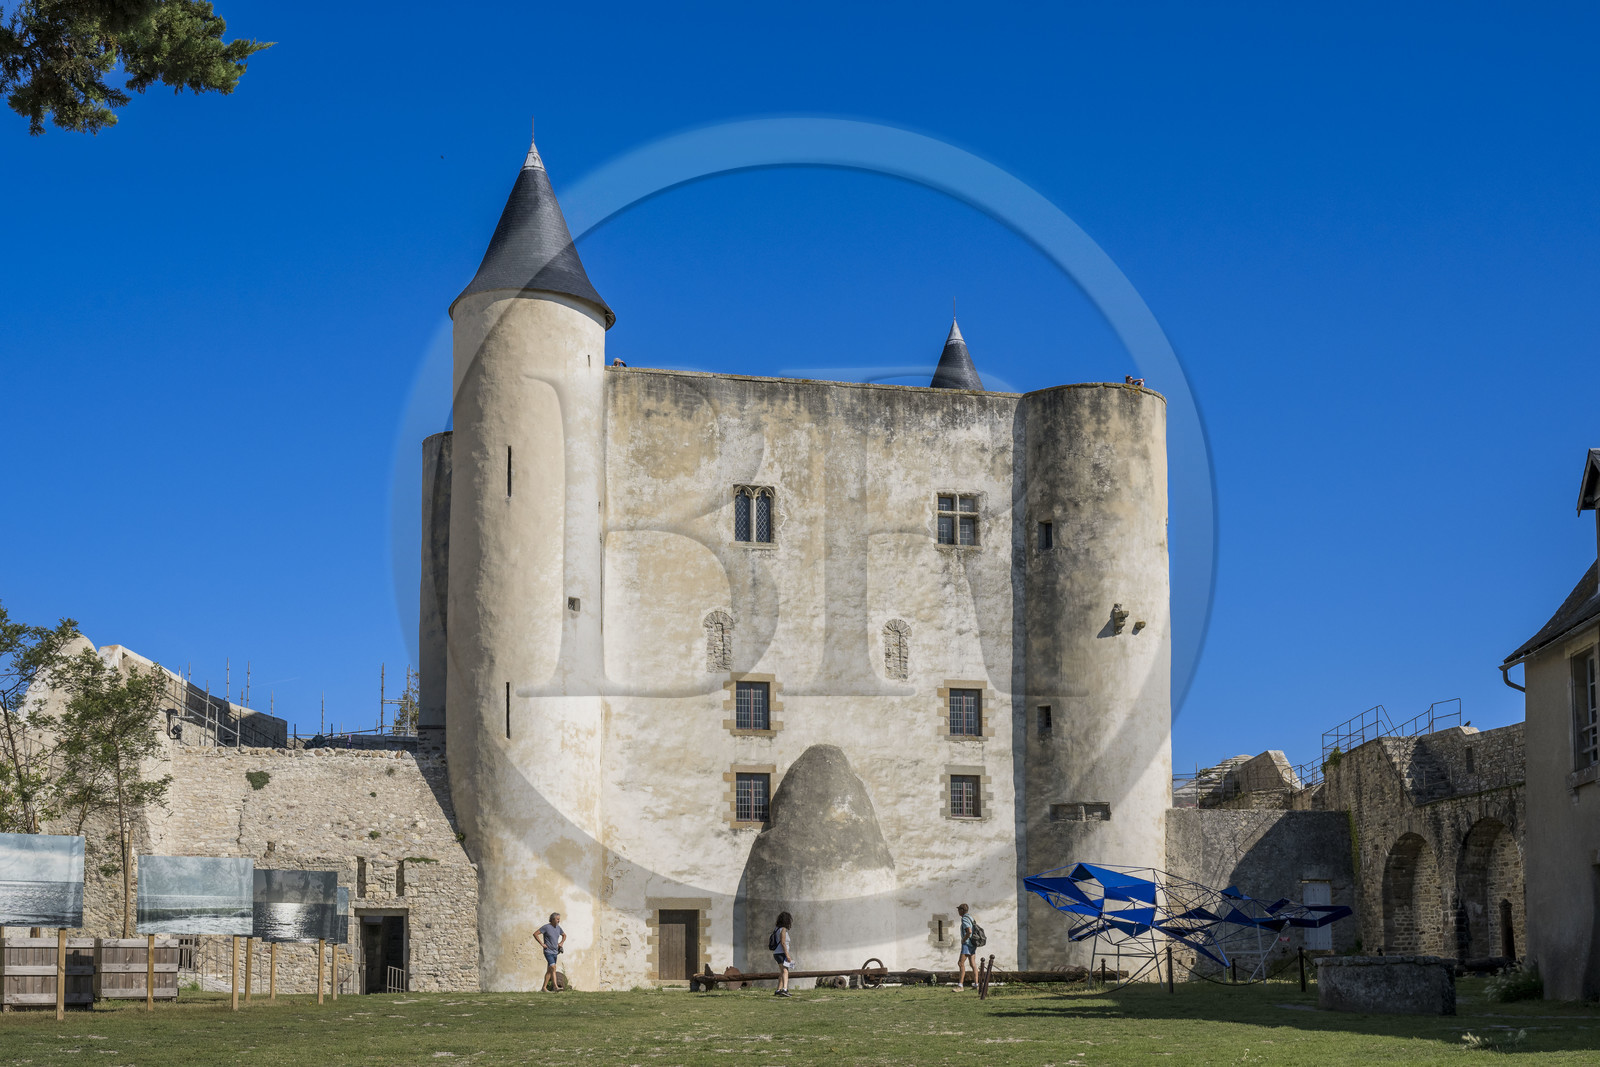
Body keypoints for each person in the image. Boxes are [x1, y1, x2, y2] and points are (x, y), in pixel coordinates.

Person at [536, 912, 566, 991]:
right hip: (548, 951)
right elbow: (535, 934)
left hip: (555, 952)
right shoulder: (546, 927)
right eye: (557, 919)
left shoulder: (558, 928)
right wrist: (542, 944)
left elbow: (564, 935)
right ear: (553, 919)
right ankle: (555, 987)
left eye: (559, 919)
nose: (559, 921)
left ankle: (544, 988)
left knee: (550, 970)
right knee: (553, 967)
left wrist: (561, 943)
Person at [769, 911, 795, 998]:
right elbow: (783, 943)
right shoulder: (783, 929)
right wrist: (787, 955)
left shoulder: (776, 929)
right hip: (781, 953)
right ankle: (785, 989)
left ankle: (778, 990)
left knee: (782, 971)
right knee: (785, 971)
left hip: (777, 953)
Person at [955, 903, 976, 990]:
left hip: (967, 943)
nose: (958, 911)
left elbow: (969, 931)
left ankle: (960, 985)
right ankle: (976, 984)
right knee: (973, 964)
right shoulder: (971, 918)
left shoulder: (964, 919)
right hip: (973, 943)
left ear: (962, 910)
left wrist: (964, 939)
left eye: (958, 910)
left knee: (960, 963)